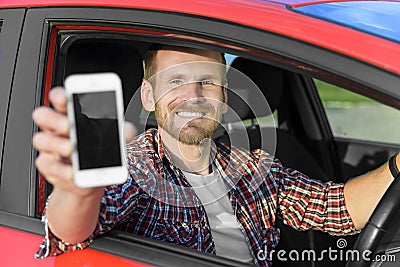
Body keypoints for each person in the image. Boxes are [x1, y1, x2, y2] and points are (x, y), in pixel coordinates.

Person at [32, 45, 399, 266]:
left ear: (224, 96)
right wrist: (81, 192)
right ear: (148, 96)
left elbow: (337, 208)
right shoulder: (136, 167)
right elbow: (69, 231)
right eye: (175, 82)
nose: (194, 95)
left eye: (207, 81)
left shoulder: (253, 166)